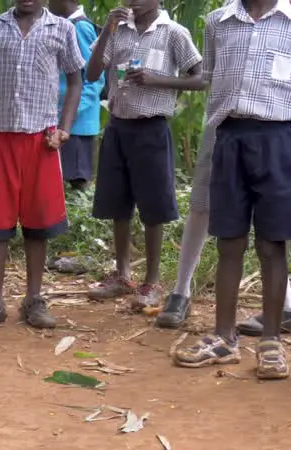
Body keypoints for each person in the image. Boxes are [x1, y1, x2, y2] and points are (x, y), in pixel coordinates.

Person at [156, 0, 291, 333]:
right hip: (227, 128)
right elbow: (206, 75)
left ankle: (283, 316)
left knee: (272, 237)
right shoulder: (219, 21)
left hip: (277, 132)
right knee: (216, 219)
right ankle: (189, 297)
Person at [0, 0, 85, 330]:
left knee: (38, 222)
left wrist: (65, 128)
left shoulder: (63, 29)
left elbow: (75, 82)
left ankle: (33, 299)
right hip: (0, 137)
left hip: (42, 140)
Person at [84, 0, 203, 312]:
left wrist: (158, 80)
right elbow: (92, 72)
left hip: (152, 128)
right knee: (116, 203)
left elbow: (200, 78)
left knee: (154, 206)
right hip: (118, 125)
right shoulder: (117, 30)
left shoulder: (173, 33)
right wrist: (108, 31)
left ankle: (151, 280)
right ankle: (122, 274)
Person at [48, 0, 105, 190]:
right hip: (62, 120)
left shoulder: (79, 27)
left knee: (75, 182)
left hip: (76, 124)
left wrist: (70, 112)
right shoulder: (61, 25)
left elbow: (94, 78)